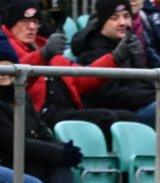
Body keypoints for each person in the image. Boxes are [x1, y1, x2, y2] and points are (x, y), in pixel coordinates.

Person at [2, 0, 139, 135]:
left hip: (65, 111)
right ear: (11, 24)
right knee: (108, 118)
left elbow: (80, 79)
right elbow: (14, 76)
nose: (32, 27)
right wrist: (43, 55)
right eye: (24, 21)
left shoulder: (46, 47)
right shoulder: (6, 50)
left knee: (128, 117)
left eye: (36, 22)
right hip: (38, 116)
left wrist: (115, 57)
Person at [0, 34, 79, 183]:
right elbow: (9, 142)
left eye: (7, 67)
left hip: (22, 159)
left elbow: (42, 131)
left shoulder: (20, 95)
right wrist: (58, 153)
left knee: (58, 165)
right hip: (7, 159)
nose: (3, 74)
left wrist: (63, 148)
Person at [71, 0, 158, 127]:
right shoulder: (92, 50)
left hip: (137, 106)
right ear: (102, 22)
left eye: (126, 16)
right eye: (114, 18)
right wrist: (156, 95)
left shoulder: (128, 43)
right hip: (121, 116)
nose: (122, 22)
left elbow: (141, 83)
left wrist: (139, 63)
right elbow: (111, 95)